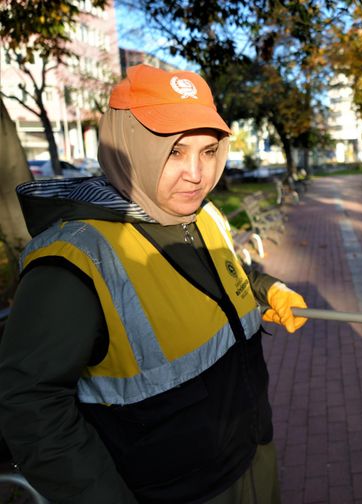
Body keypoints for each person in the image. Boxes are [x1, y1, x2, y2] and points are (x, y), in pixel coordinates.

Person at [0, 64, 308, 503]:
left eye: (207, 152)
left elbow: (222, 279)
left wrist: (264, 289)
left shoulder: (203, 216)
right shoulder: (74, 261)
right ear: (128, 146)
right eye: (176, 151)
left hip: (253, 455)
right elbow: (30, 407)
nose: (197, 174)